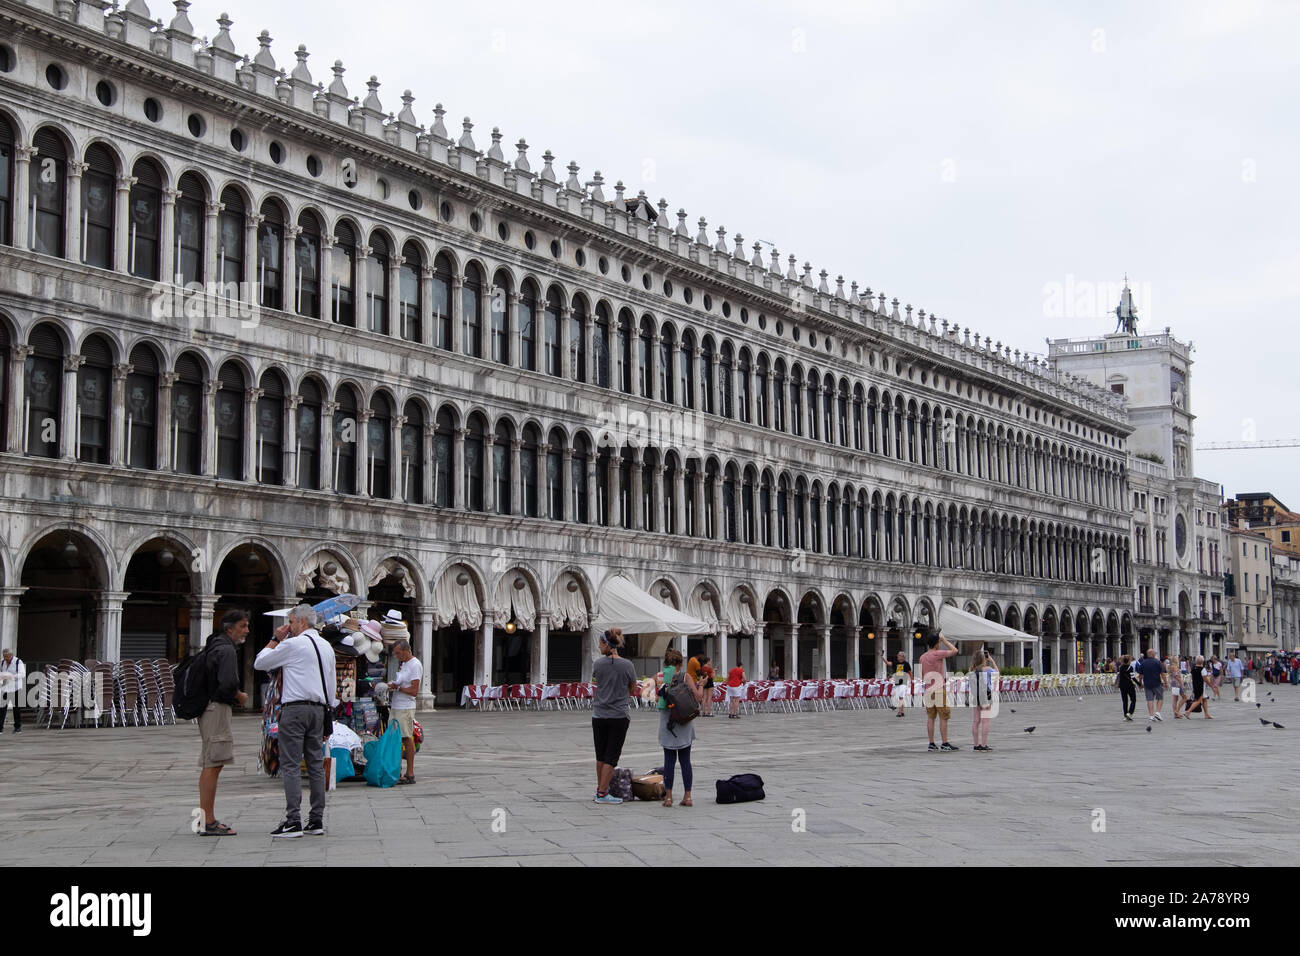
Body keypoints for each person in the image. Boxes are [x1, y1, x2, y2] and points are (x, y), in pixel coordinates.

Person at [255, 604, 337, 837]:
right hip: (319, 710)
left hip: (295, 709)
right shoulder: (326, 646)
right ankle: (316, 820)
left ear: (301, 622)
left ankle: (293, 821)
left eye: (290, 623)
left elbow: (260, 662)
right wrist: (327, 715)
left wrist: (274, 639)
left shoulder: (292, 644)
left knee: (290, 764)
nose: (288, 627)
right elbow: (330, 686)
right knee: (315, 764)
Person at [196, 610, 249, 835]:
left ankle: (205, 818)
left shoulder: (214, 644)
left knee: (212, 761)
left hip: (208, 708)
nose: (246, 630)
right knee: (213, 762)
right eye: (243, 626)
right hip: (216, 708)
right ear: (230, 629)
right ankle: (207, 821)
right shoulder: (226, 649)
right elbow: (227, 683)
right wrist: (240, 696)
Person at [591, 629, 638, 804]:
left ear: (606, 644)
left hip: (599, 714)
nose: (598, 646)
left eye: (600, 643)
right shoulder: (628, 665)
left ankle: (600, 790)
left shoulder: (598, 664)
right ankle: (603, 793)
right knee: (611, 756)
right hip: (619, 715)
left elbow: (597, 683)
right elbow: (633, 689)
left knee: (600, 755)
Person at [656, 648, 703, 806]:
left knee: (668, 760)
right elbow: (698, 696)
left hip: (667, 721)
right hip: (684, 721)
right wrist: (701, 685)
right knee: (685, 760)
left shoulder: (660, 677)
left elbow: (652, 697)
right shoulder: (686, 676)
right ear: (680, 663)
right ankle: (687, 796)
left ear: (666, 662)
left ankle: (668, 797)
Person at [918, 629, 959, 751]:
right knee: (943, 716)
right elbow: (955, 650)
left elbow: (921, 674)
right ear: (936, 643)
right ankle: (944, 743)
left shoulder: (922, 657)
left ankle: (931, 743)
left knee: (931, 717)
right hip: (939, 688)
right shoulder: (937, 654)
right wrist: (944, 639)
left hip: (928, 689)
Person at [389, 639, 422, 784]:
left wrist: (398, 688)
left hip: (406, 707)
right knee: (396, 738)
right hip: (396, 705)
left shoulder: (415, 665)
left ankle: (410, 773)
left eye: (398, 653)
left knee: (407, 737)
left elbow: (414, 691)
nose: (396, 656)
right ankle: (397, 770)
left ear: (406, 650)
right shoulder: (404, 664)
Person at [970, 647, 998, 751]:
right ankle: (984, 744)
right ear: (983, 659)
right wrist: (991, 660)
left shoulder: (971, 671)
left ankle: (976, 744)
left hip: (975, 696)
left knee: (975, 721)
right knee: (985, 721)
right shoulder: (988, 670)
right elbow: (997, 673)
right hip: (986, 696)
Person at [0, 648, 26, 734]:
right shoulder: (2, 662)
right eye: (4, 656)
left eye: (6, 657)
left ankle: (17, 728)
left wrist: (11, 677)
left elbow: (22, 674)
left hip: (16, 687)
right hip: (5, 688)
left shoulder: (18, 662)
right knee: (2, 708)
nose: (5, 658)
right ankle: (0, 728)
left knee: (16, 709)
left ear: (11, 655)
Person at [1136, 648, 1165, 722]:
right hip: (1157, 683)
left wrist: (1140, 683)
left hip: (1147, 683)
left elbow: (1140, 675)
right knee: (1160, 698)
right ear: (1152, 654)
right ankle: (1157, 712)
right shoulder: (1158, 662)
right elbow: (1162, 674)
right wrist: (1166, 682)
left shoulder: (1143, 663)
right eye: (1155, 653)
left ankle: (1151, 716)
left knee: (1150, 699)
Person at [883, 649, 912, 717]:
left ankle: (900, 711)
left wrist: (911, 681)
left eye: (899, 655)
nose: (897, 656)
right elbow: (888, 663)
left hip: (904, 681)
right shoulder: (896, 663)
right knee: (900, 697)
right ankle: (902, 711)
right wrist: (882, 657)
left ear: (902, 656)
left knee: (901, 697)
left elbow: (910, 673)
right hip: (897, 681)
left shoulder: (906, 664)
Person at [1116, 654, 1137, 721]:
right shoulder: (1130, 668)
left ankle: (1125, 715)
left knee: (1125, 701)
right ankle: (1130, 713)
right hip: (1129, 685)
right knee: (1133, 700)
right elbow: (1133, 678)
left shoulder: (1120, 667)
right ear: (1129, 661)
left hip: (1122, 686)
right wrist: (1139, 684)